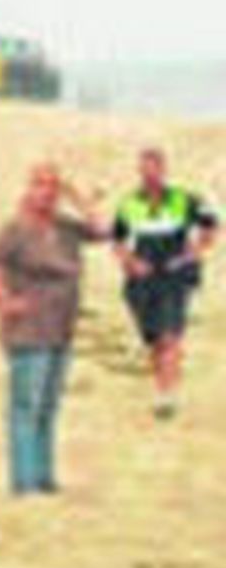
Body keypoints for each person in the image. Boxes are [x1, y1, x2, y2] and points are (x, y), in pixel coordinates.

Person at [0, 163, 104, 494]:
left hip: (61, 325)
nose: (47, 193)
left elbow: (104, 231)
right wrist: (2, 301)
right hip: (29, 329)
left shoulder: (65, 227)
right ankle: (23, 480)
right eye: (41, 185)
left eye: (53, 186)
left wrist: (78, 197)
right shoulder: (16, 229)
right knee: (26, 405)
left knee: (48, 405)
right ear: (29, 188)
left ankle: (44, 475)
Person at [109, 146, 217, 416]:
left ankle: (167, 395)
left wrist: (193, 253)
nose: (149, 175)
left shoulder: (184, 199)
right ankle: (162, 383)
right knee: (155, 339)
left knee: (170, 335)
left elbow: (211, 225)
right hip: (142, 279)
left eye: (154, 169)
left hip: (174, 275)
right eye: (144, 170)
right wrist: (131, 263)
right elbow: (118, 240)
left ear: (163, 170)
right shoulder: (129, 203)